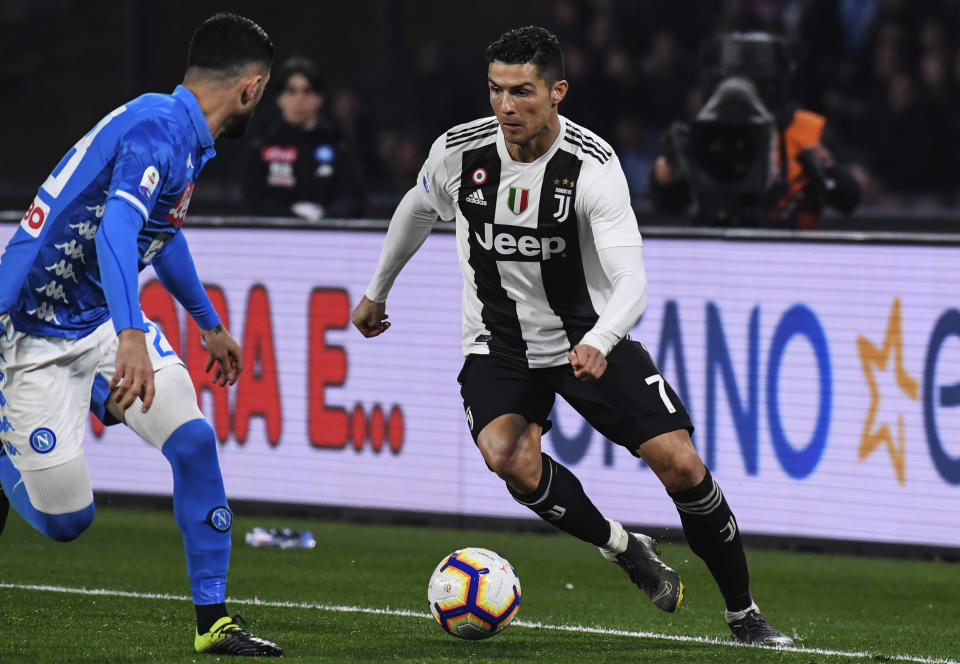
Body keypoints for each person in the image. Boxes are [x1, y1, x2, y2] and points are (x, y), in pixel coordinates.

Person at [352, 26, 793, 647]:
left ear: (557, 92)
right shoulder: (458, 153)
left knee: (682, 465)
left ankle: (744, 615)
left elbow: (630, 278)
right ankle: (625, 548)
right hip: (499, 340)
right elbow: (416, 209)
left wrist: (603, 338)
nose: (506, 107)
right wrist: (377, 290)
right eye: (496, 90)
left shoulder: (592, 167)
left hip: (587, 336)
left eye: (523, 92)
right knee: (508, 458)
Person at [0, 13, 282, 657]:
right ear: (251, 88)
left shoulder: (180, 132)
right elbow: (115, 234)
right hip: (31, 333)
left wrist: (208, 324)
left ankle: (213, 621)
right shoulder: (160, 131)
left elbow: (163, 232)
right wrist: (133, 334)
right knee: (68, 521)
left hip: (98, 322)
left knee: (194, 443)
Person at [649, 32, 861, 229]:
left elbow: (849, 200)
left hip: (793, 254)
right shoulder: (704, 133)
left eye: (758, 87)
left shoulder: (808, 132)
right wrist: (669, 174)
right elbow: (668, 206)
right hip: (718, 252)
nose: (742, 95)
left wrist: (827, 171)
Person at [241, 56, 366, 221]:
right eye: (291, 91)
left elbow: (354, 199)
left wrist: (323, 221)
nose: (299, 99)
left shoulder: (340, 146)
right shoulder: (261, 148)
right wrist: (293, 220)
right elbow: (254, 200)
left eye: (307, 91)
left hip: (329, 239)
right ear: (280, 99)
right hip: (274, 240)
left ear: (319, 99)